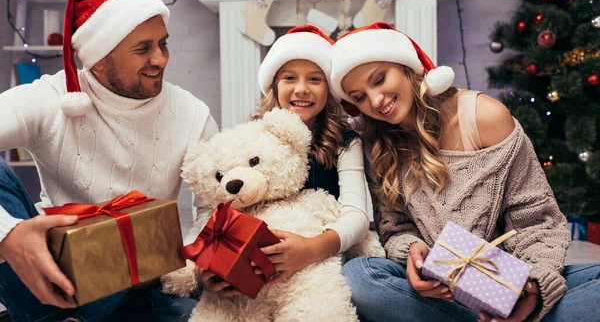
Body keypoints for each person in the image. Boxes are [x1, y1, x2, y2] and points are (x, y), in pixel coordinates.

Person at [330, 22, 599, 322]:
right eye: (360, 97)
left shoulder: (485, 116)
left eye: (379, 79)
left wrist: (533, 291)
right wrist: (412, 251)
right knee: (359, 276)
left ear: (407, 66)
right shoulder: (375, 143)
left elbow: (538, 220)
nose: (376, 101)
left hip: (509, 283)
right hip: (436, 292)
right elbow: (395, 228)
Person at [0, 0, 218, 322]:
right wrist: (7, 234)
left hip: (143, 287)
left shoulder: (192, 115)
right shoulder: (52, 98)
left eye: (162, 43)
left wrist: (195, 266)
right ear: (99, 59)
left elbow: (212, 206)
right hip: (53, 274)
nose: (159, 59)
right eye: (143, 48)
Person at [195, 25, 371, 297]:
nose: (301, 89)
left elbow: (357, 215)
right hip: (259, 260)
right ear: (273, 86)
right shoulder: (252, 137)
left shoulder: (346, 142)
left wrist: (313, 248)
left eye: (314, 79)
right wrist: (208, 263)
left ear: (329, 89)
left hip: (321, 254)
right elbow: (220, 207)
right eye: (290, 78)